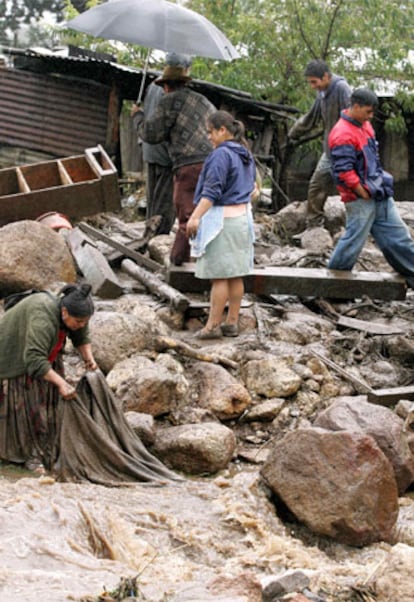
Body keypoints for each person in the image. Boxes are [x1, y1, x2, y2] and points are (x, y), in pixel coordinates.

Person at [0, 283, 97, 471]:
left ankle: (48, 448)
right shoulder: (42, 315)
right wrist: (61, 382)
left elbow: (81, 335)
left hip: (46, 352)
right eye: (79, 321)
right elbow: (34, 359)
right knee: (29, 404)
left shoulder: (76, 313)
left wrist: (89, 359)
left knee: (51, 399)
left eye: (85, 321)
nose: (82, 325)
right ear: (64, 312)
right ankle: (28, 455)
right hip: (14, 354)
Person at [327, 87, 414, 287]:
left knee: (399, 237)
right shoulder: (341, 134)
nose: (371, 116)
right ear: (355, 106)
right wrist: (361, 192)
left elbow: (373, 159)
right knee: (353, 242)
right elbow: (343, 172)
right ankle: (332, 286)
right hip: (360, 197)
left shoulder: (365, 125)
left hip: (379, 191)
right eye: (368, 111)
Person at [135, 64, 215, 265]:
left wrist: (137, 116)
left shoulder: (168, 100)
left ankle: (179, 261)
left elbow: (151, 135)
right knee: (205, 213)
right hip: (213, 162)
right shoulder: (203, 101)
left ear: (166, 86)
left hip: (188, 165)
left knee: (185, 215)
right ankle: (204, 258)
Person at [186, 110, 256, 339]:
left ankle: (212, 326)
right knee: (236, 274)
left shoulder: (221, 155)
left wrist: (195, 216)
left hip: (222, 221)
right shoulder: (245, 153)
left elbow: (211, 192)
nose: (209, 137)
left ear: (222, 130)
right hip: (243, 218)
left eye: (210, 132)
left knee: (219, 277)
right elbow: (254, 189)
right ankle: (232, 322)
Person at [130, 53, 192, 236]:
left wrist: (138, 114)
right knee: (165, 201)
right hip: (166, 153)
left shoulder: (152, 86)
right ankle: (158, 238)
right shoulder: (172, 91)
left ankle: (149, 233)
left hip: (150, 151)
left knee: (153, 198)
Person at [288, 59, 352, 219]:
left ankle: (355, 226)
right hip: (330, 150)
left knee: (350, 190)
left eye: (314, 82)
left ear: (325, 76)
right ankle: (314, 224)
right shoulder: (322, 93)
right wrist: (294, 133)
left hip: (346, 151)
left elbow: (352, 119)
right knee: (316, 186)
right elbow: (312, 117)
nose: (312, 86)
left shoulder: (342, 88)